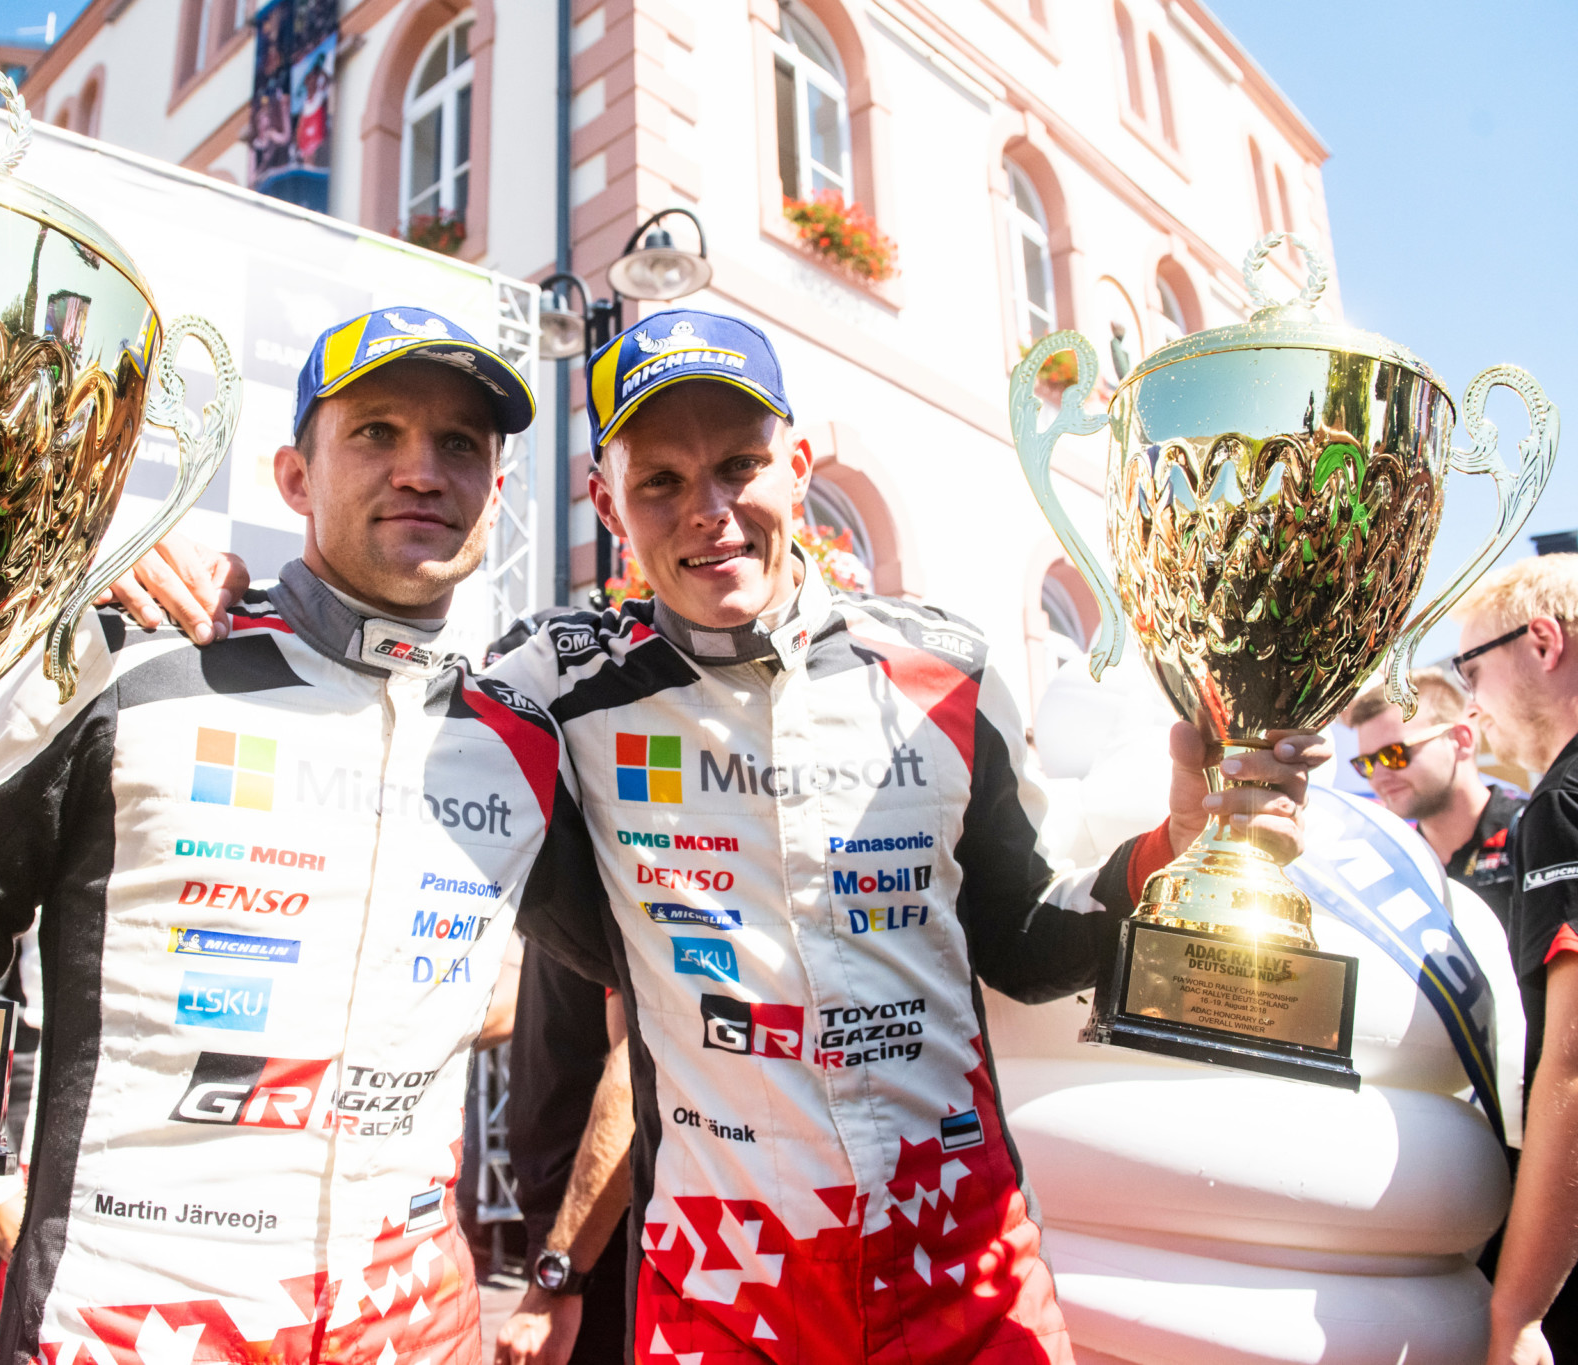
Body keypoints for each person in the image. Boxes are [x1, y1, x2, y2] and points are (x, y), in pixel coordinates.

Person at [0, 307, 615, 1365]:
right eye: (376, 432)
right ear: (295, 477)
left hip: (414, 1326)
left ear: (494, 495)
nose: (421, 471)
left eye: (459, 444)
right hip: (134, 1323)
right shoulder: (132, 661)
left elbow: (658, 977)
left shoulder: (520, 742)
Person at [479, 310, 1325, 1363]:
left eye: (739, 465)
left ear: (796, 468)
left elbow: (1022, 942)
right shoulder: (558, 690)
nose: (709, 511)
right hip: (727, 1292)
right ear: (607, 504)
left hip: (965, 1271)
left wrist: (1176, 846)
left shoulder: (947, 668)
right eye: (660, 480)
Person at [1451, 556, 1578, 1365]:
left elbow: (1573, 1061)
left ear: (1542, 642)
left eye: (1473, 668)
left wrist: (1519, 1309)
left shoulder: (1561, 804)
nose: (1472, 701)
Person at [492, 945, 633, 1365]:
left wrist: (559, 1282)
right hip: (569, 1237)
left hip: (597, 1241)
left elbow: (633, 1073)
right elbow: (532, 1003)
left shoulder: (613, 901)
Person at [1346, 669, 1524, 933]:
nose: (1379, 776)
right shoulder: (1393, 865)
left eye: (1394, 754)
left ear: (1461, 740)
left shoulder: (1534, 832)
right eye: (1366, 764)